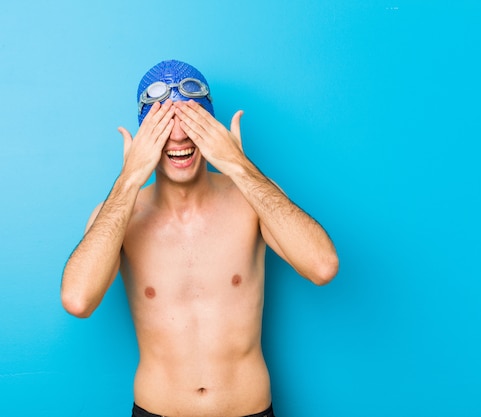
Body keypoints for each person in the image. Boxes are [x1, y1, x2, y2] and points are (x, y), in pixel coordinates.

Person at [61, 60, 339, 417]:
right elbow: (78, 300)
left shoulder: (252, 200)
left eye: (191, 124)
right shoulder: (119, 214)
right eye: (163, 127)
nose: (178, 138)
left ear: (211, 128)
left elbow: (323, 266)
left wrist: (238, 165)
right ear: (145, 136)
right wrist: (129, 178)